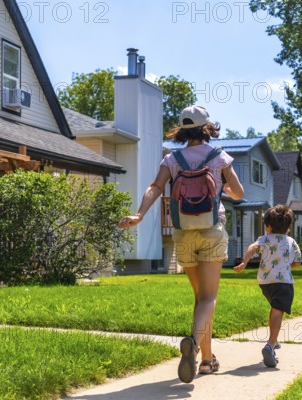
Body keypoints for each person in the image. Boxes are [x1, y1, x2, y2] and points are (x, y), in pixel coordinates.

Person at [118, 105, 244, 383]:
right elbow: (238, 192)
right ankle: (195, 346)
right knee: (209, 299)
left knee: (201, 300)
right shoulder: (220, 157)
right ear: (207, 128)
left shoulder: (172, 160)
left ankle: (207, 361)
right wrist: (223, 186)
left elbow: (155, 186)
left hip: (183, 232)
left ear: (182, 130)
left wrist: (139, 215)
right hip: (211, 230)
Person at [233, 204, 302, 368]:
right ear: (288, 227)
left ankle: (274, 339)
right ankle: (270, 346)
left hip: (265, 283)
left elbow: (252, 248)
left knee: (274, 308)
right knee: (278, 313)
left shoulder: (264, 239)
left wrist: (244, 262)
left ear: (268, 227)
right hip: (283, 283)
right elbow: (297, 262)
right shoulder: (291, 242)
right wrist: (286, 267)